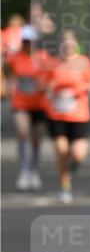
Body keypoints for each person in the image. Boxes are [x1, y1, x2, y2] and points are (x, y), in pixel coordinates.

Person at [41, 30, 90, 203]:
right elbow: (43, 85)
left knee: (78, 154)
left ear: (75, 45)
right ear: (60, 45)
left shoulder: (83, 62)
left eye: (71, 43)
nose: (68, 46)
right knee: (61, 151)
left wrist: (79, 90)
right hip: (57, 114)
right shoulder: (52, 63)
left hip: (79, 114)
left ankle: (72, 168)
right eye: (65, 43)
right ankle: (64, 186)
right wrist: (51, 88)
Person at [3, 25, 51, 190]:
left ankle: (34, 170)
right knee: (22, 134)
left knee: (36, 140)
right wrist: (8, 87)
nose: (27, 44)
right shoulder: (14, 57)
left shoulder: (42, 57)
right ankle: (23, 171)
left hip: (39, 103)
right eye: (25, 41)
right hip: (20, 103)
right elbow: (7, 71)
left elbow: (50, 77)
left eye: (30, 41)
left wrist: (44, 86)